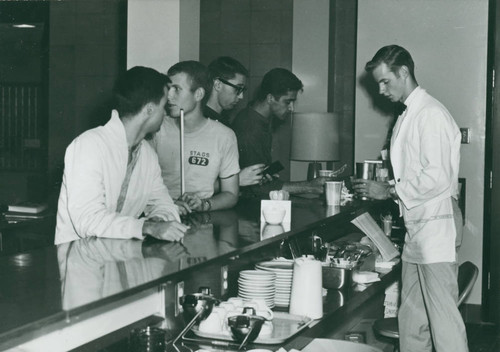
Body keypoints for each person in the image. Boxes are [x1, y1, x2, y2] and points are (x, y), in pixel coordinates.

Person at [353, 45, 467, 352]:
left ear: (404, 72)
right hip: (418, 229)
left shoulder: (430, 113)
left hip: (436, 229)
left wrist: (388, 191)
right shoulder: (408, 114)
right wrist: (390, 183)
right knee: (412, 319)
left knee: (443, 322)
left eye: (385, 81)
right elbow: (414, 171)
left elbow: (437, 176)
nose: (380, 89)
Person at [55, 66, 188, 245]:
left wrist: (159, 221)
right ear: (149, 109)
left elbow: (163, 204)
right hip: (81, 263)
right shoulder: (89, 146)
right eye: (163, 107)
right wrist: (146, 227)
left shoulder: (147, 155)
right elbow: (87, 220)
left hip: (120, 259)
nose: (165, 114)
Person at [232, 68, 339, 197]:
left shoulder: (259, 118)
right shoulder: (250, 128)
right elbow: (256, 188)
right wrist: (310, 186)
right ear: (270, 98)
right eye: (288, 102)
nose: (291, 108)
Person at [151, 60, 240, 213]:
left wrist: (203, 204)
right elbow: (140, 187)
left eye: (177, 89)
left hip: (201, 221)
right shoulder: (156, 129)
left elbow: (231, 194)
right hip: (159, 216)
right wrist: (169, 205)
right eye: (168, 89)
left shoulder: (224, 136)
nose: (169, 96)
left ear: (198, 94)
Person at [205, 56, 267, 187]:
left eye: (243, 90)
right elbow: (194, 183)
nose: (241, 96)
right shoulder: (201, 122)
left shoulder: (224, 122)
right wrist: (237, 180)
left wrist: (253, 176)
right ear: (217, 84)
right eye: (237, 89)